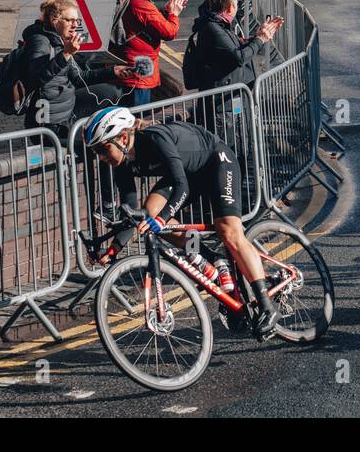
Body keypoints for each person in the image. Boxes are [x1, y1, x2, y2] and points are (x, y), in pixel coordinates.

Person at [83, 107, 283, 340]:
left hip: (216, 161)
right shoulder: (122, 166)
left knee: (229, 230)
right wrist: (113, 248)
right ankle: (213, 258)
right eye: (95, 152)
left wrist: (161, 219)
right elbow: (133, 215)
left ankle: (268, 307)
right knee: (149, 212)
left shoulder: (155, 139)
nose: (101, 157)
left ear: (123, 138)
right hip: (191, 173)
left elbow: (182, 187)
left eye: (103, 148)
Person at [20, 0, 136, 136]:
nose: (75, 25)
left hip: (65, 109)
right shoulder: (40, 41)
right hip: (48, 121)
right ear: (54, 20)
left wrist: (112, 71)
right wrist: (66, 54)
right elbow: (36, 78)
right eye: (69, 20)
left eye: (77, 21)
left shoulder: (59, 41)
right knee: (93, 144)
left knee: (112, 92)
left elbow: (79, 78)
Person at [112, 0, 186, 106]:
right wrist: (173, 14)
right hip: (137, 74)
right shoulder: (141, 4)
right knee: (137, 116)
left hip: (124, 66)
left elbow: (143, 22)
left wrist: (164, 11)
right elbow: (169, 32)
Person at [187, 0, 282, 90]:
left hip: (232, 91)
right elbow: (239, 57)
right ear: (230, 7)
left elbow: (236, 45)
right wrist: (260, 40)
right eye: (236, 3)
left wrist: (258, 36)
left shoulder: (220, 24)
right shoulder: (213, 28)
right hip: (224, 97)